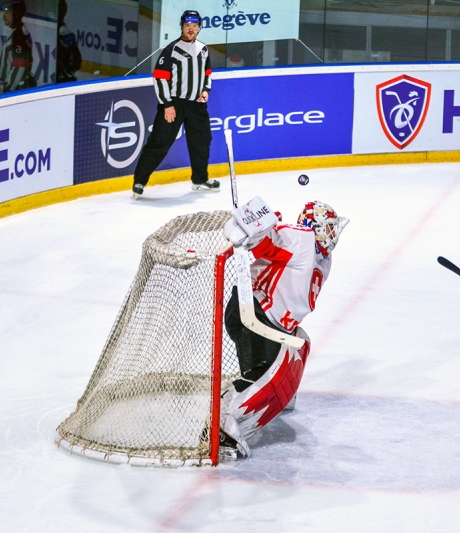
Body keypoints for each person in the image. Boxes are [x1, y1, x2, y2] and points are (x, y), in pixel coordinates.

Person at [217, 199, 349, 459]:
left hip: (271, 320)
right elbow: (265, 245)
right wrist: (251, 227)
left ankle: (278, 394)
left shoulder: (323, 256)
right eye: (329, 227)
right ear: (315, 225)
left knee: (299, 345)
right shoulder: (301, 238)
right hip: (253, 312)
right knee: (262, 376)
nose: (333, 234)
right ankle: (223, 426)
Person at [132, 10, 217, 199]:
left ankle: (200, 179)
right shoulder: (171, 49)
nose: (191, 29)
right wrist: (167, 104)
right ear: (182, 27)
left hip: (196, 105)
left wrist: (205, 91)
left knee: (202, 142)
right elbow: (160, 79)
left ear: (199, 28)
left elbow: (207, 74)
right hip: (174, 105)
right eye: (188, 26)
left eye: (195, 26)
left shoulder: (203, 49)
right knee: (159, 143)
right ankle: (139, 181)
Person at [0, 0, 35, 93]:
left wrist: (8, 91)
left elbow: (20, 66)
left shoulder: (19, 35)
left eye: (7, 12)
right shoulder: (19, 32)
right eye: (3, 12)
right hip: (17, 88)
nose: (3, 15)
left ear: (16, 14)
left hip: (17, 89)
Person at [55, 0, 81, 84]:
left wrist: (65, 68)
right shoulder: (56, 30)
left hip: (64, 79)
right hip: (62, 78)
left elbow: (77, 59)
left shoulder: (64, 32)